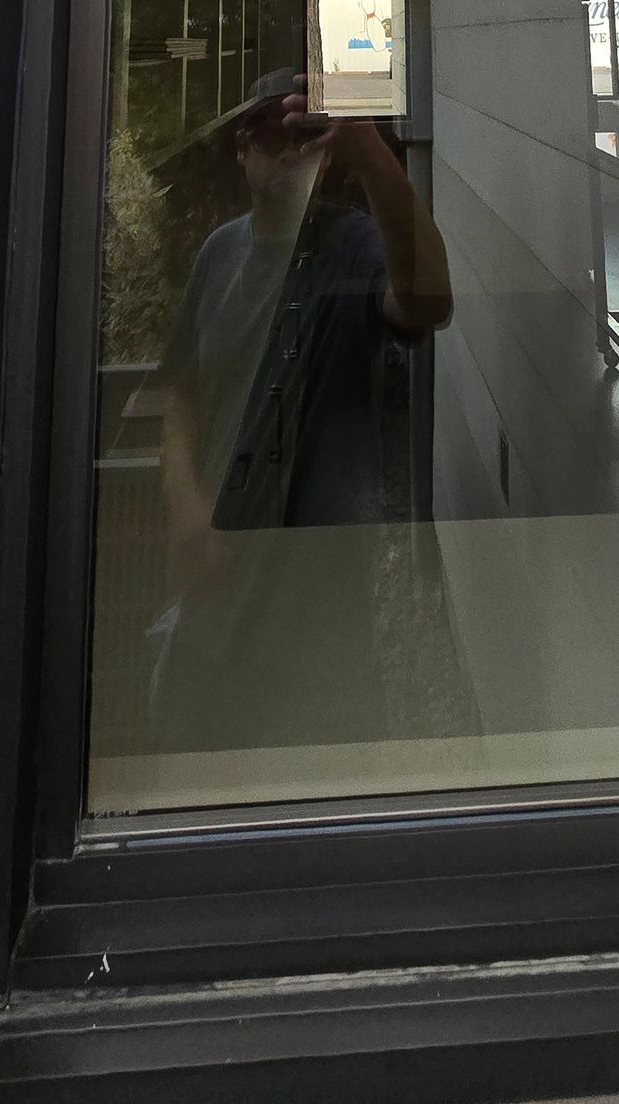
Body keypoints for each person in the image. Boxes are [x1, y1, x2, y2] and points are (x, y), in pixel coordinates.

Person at [146, 72, 457, 754]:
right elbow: (183, 397)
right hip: (215, 590)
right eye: (269, 133)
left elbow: (430, 302)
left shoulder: (352, 247)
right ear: (240, 149)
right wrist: (187, 508)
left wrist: (369, 149)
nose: (288, 151)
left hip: (322, 605)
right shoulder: (219, 253)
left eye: (308, 136)